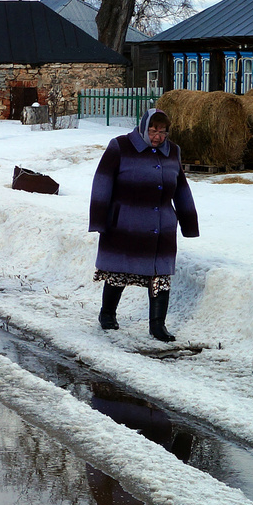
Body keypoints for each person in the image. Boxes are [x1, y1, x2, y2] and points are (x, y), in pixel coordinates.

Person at [88, 108, 199, 341]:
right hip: (125, 223)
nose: (158, 136)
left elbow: (181, 188)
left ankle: (157, 325)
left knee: (161, 275)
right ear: (143, 127)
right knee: (119, 270)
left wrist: (189, 222)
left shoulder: (173, 152)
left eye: (162, 131)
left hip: (162, 226)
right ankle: (107, 313)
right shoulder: (120, 146)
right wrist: (99, 218)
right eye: (153, 130)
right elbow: (102, 182)